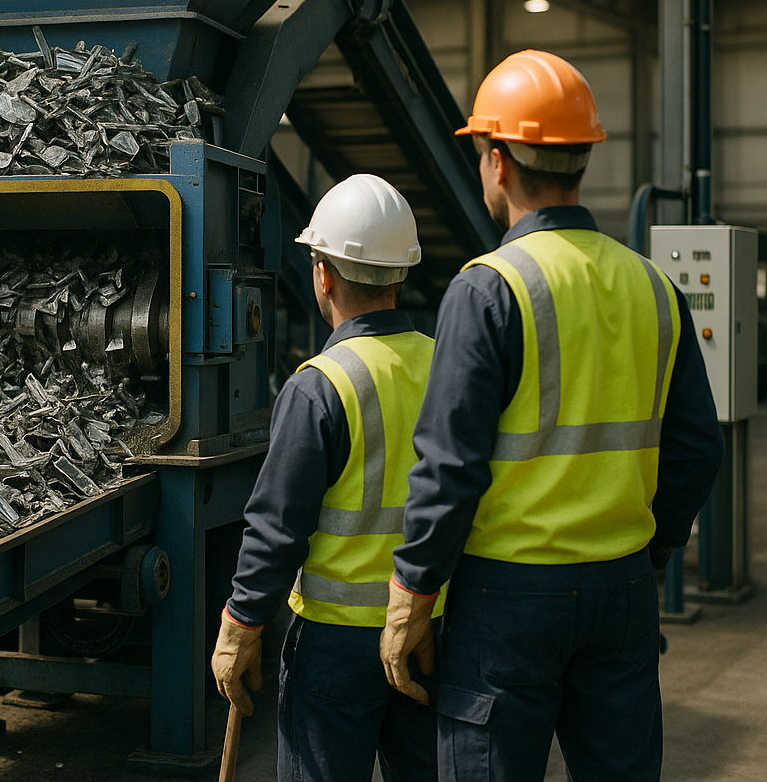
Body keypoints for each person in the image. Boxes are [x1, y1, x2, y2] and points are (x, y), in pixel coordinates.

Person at [379, 49, 724, 782]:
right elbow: (697, 449)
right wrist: (649, 550)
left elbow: (449, 466)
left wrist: (412, 594)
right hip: (623, 586)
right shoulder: (655, 287)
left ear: (497, 160)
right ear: (580, 158)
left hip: (509, 597)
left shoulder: (489, 289)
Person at [211, 173, 443, 782]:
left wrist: (240, 626)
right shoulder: (447, 366)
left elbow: (276, 528)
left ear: (323, 273)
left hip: (334, 646)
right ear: (401, 272)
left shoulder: (320, 385)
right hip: (427, 630)